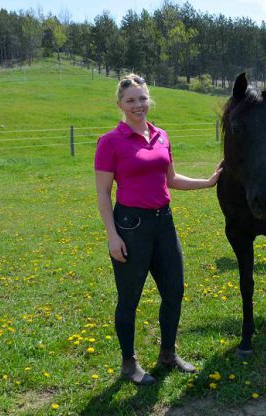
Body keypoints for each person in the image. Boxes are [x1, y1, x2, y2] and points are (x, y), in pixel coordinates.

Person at [94, 74, 222, 385]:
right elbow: (102, 193)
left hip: (164, 222)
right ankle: (129, 363)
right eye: (130, 100)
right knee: (129, 298)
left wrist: (206, 182)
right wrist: (112, 236)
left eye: (142, 98)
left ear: (149, 99)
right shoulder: (110, 142)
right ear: (120, 105)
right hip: (131, 226)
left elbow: (172, 179)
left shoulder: (162, 136)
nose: (138, 105)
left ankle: (167, 353)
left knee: (174, 290)